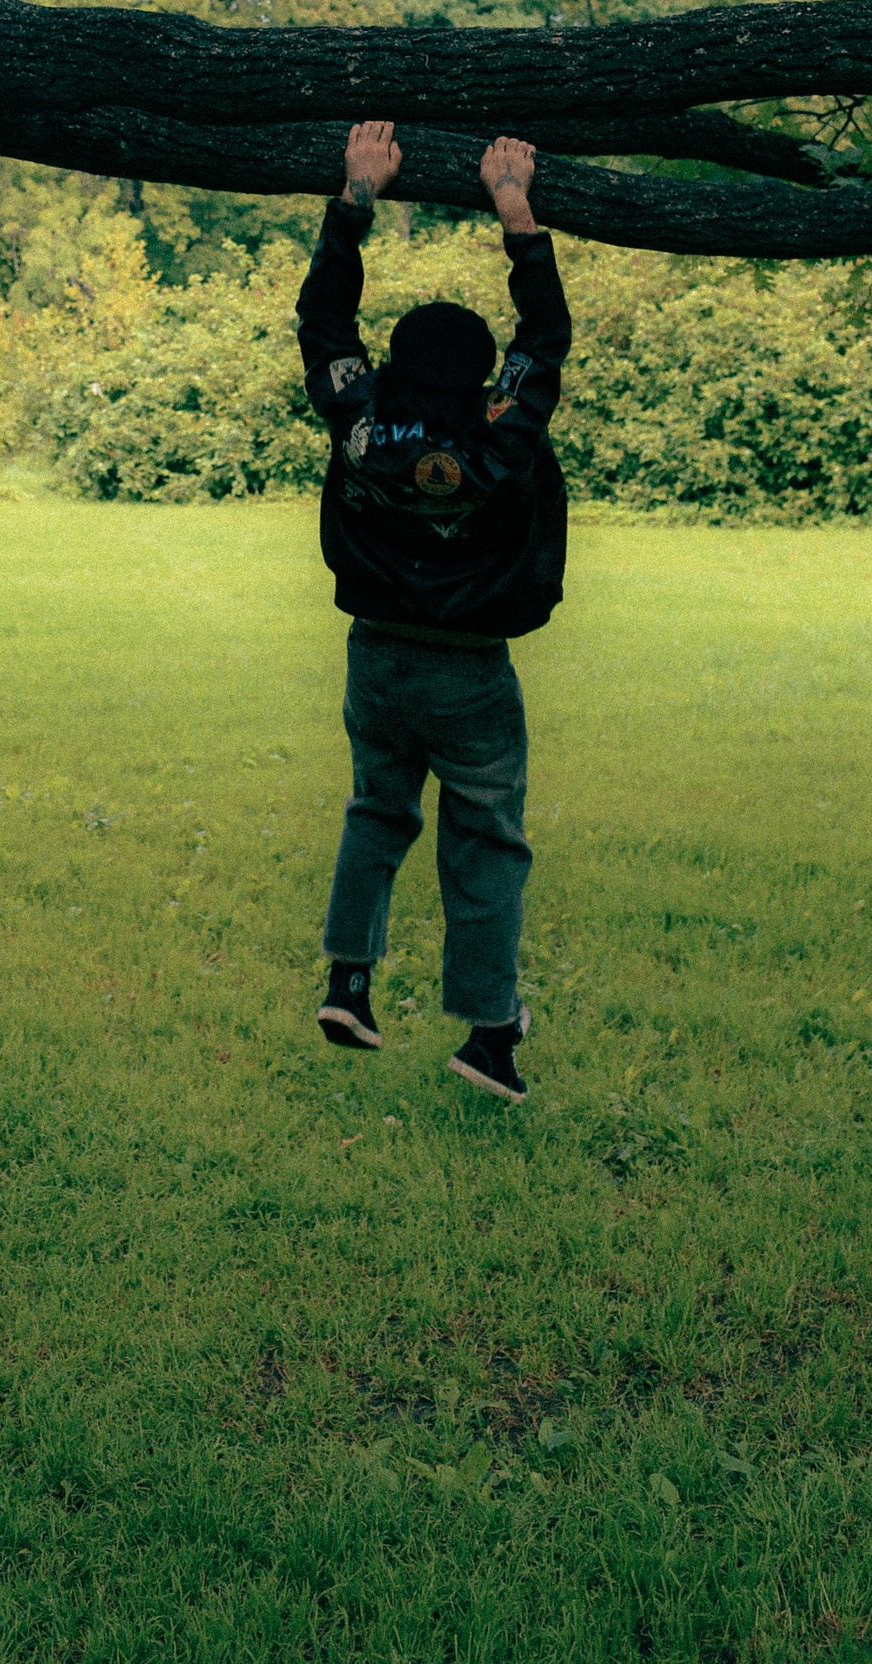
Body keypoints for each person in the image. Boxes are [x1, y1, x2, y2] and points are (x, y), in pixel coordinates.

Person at [298, 123, 571, 1103]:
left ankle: (349, 983)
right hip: (470, 672)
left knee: (376, 810)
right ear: (479, 374)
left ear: (398, 363)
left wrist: (357, 196)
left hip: (375, 660)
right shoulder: (503, 432)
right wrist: (513, 204)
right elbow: (545, 339)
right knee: (485, 839)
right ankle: (490, 1036)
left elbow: (324, 322)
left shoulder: (361, 418)